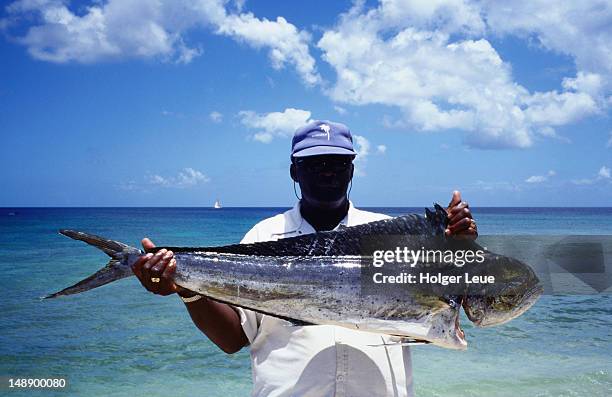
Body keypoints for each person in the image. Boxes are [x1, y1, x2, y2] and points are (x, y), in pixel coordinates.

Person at [131, 120, 478, 397]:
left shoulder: (396, 238)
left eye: (338, 163)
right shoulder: (263, 237)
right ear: (295, 171)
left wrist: (459, 248)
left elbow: (460, 303)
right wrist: (185, 288)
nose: (328, 171)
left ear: (352, 170)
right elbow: (233, 339)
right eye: (315, 164)